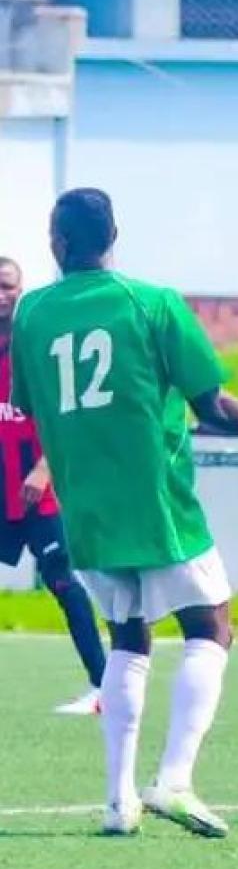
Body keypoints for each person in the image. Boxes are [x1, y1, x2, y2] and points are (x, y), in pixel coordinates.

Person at [10, 189, 238, 838]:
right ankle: (174, 779)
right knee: (211, 626)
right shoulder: (152, 302)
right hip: (156, 500)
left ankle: (118, 802)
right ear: (114, 237)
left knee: (128, 638)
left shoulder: (32, 314)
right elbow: (212, 404)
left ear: (58, 241)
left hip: (84, 506)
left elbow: (32, 402)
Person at [0, 256, 106, 715]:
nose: (0, 295)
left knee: (62, 580)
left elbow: (69, 417)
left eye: (7, 286)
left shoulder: (39, 347)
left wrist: (44, 469)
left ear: (20, 291)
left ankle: (103, 686)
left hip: (38, 490)